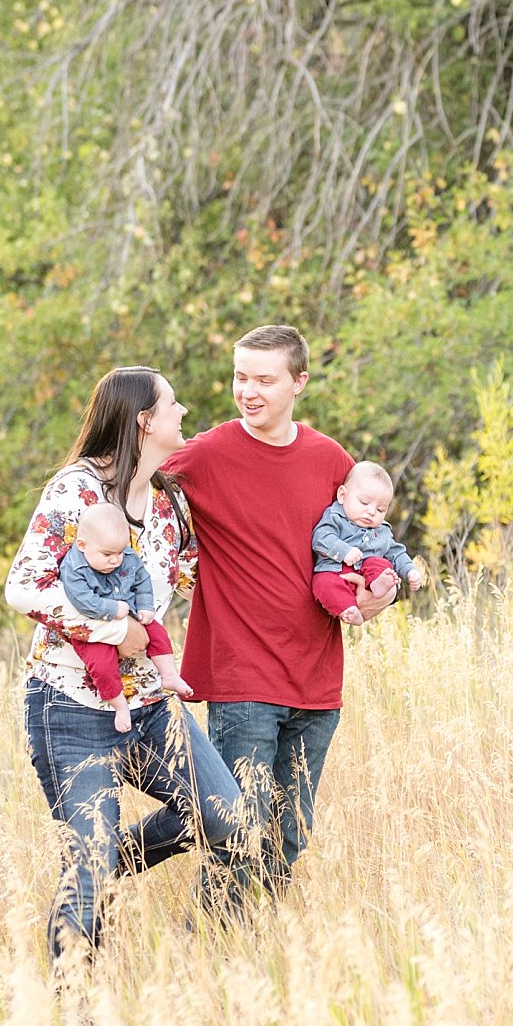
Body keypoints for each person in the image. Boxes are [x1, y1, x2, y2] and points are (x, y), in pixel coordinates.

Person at [119, 324, 397, 893]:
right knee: (235, 830)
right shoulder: (207, 454)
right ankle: (122, 872)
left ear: (299, 382)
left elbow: (359, 553)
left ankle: (257, 956)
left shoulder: (331, 461)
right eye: (240, 376)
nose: (248, 390)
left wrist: (377, 597)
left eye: (264, 380)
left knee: (289, 834)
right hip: (241, 673)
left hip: (317, 675)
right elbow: (124, 482)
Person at [4, 366, 260, 966]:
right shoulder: (76, 491)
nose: (185, 410)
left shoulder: (169, 505)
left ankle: (99, 862)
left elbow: (206, 574)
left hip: (148, 706)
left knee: (224, 816)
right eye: (173, 403)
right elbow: (23, 586)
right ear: (144, 421)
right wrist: (114, 630)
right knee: (87, 870)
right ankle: (75, 1008)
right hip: (70, 705)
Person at [58, 501, 194, 732]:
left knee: (157, 631)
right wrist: (111, 609)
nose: (116, 560)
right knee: (101, 664)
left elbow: (141, 579)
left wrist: (144, 606)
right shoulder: (74, 567)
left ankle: (169, 674)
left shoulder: (124, 555)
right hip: (94, 627)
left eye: (120, 553)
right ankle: (119, 705)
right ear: (82, 545)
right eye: (108, 554)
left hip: (128, 611)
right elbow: (81, 600)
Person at [311, 460, 427, 625]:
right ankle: (348, 609)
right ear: (342, 495)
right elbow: (320, 537)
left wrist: (410, 571)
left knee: (380, 563)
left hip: (367, 576)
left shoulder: (382, 531)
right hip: (335, 572)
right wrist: (344, 551)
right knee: (322, 584)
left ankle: (379, 583)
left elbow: (396, 553)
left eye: (380, 509)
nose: (372, 512)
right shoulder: (335, 517)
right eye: (364, 503)